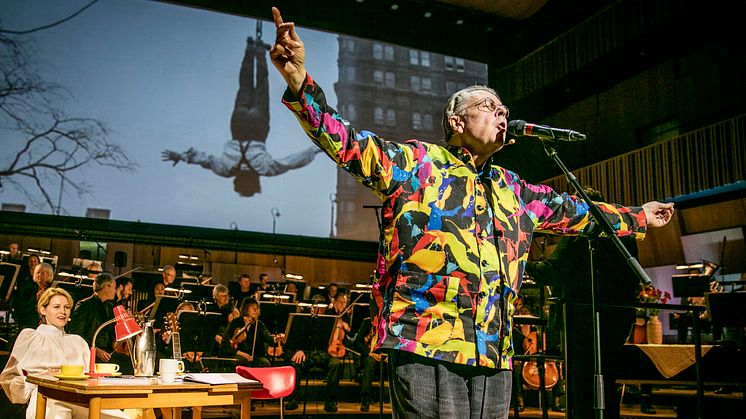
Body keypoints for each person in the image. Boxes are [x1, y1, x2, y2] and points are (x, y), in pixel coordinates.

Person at [268, 7, 675, 417]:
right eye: (489, 106)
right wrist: (300, 82)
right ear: (456, 120)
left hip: (493, 349)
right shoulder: (419, 164)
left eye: (503, 110)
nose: (502, 114)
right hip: (426, 340)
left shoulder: (514, 189)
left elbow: (580, 212)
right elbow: (349, 144)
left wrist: (640, 216)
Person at [525, 186, 644, 418]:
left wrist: (521, 264)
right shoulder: (623, 232)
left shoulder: (582, 231)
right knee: (607, 381)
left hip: (581, 320)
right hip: (616, 318)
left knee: (581, 384)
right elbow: (632, 276)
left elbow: (556, 270)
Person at [161, 30, 320, 197]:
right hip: (238, 124)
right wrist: (182, 156)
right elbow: (205, 160)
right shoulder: (226, 169)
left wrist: (315, 149)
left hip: (258, 127)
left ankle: (259, 53)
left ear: (256, 181)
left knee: (261, 86)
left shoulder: (263, 169)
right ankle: (249, 50)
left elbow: (289, 162)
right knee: (244, 85)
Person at [1, 287, 127, 419]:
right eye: (56, 307)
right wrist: (34, 384)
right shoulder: (29, 337)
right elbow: (9, 377)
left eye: (67, 307)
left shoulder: (77, 342)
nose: (63, 312)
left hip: (79, 399)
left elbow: (90, 377)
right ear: (43, 310)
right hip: (47, 398)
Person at [67, 273, 132, 375]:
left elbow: (113, 334)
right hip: (90, 352)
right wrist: (95, 350)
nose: (115, 291)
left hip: (107, 352)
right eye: (114, 288)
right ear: (106, 287)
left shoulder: (110, 307)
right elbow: (76, 334)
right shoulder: (84, 305)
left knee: (129, 362)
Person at [218, 298, 279, 368]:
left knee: (264, 363)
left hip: (253, 356)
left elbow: (268, 339)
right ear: (246, 308)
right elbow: (224, 343)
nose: (256, 311)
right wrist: (242, 354)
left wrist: (276, 339)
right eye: (253, 308)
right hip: (236, 354)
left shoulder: (259, 325)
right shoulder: (235, 323)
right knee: (243, 362)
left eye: (257, 308)